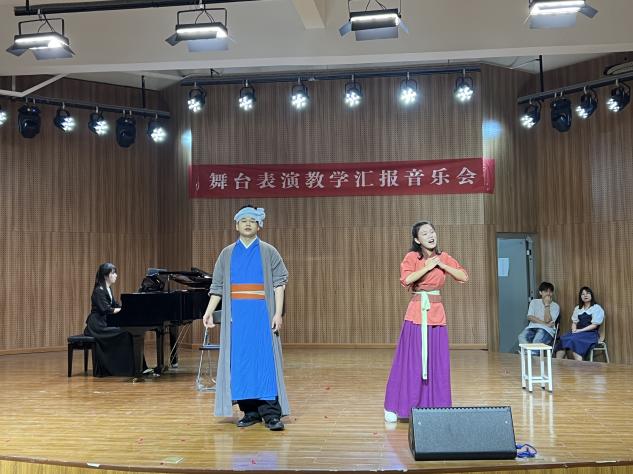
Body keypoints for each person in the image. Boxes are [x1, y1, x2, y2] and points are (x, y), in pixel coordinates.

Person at [202, 205, 289, 431]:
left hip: (262, 315)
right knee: (241, 363)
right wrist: (209, 311)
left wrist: (277, 313)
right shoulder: (227, 253)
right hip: (237, 318)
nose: (248, 224)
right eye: (244, 220)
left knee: (264, 362)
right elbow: (217, 287)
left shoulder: (269, 251)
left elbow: (279, 284)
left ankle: (271, 414)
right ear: (236, 225)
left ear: (259, 225)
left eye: (252, 220)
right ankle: (250, 412)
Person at [384, 221, 468, 423]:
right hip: (416, 313)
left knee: (437, 362)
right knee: (411, 361)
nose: (430, 235)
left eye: (432, 231)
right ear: (417, 239)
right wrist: (427, 267)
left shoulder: (444, 257)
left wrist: (442, 265)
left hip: (436, 314)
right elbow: (406, 280)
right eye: (424, 233)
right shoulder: (412, 257)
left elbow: (463, 276)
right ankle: (397, 406)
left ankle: (435, 405)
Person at [84, 263, 143, 377]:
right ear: (105, 275)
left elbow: (115, 305)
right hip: (97, 325)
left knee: (129, 332)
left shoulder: (108, 289)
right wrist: (123, 310)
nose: (116, 275)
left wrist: (128, 308)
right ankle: (122, 369)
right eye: (113, 273)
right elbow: (106, 309)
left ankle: (134, 368)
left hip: (105, 322)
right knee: (125, 332)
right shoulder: (98, 290)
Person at [555, 286, 605, 361]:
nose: (585, 295)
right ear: (580, 297)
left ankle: (579, 366)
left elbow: (594, 325)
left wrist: (580, 331)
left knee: (575, 340)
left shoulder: (596, 308)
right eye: (583, 294)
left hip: (591, 333)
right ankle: (559, 364)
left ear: (591, 295)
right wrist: (574, 329)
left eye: (588, 293)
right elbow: (574, 322)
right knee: (563, 338)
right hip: (578, 332)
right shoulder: (578, 308)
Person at [517, 281, 560, 347]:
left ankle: (528, 353)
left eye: (550, 292)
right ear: (540, 292)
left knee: (536, 341)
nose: (548, 294)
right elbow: (530, 317)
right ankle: (529, 352)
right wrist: (545, 324)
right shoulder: (534, 302)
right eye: (546, 291)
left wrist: (547, 305)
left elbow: (547, 320)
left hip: (546, 330)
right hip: (532, 328)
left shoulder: (555, 306)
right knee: (521, 337)